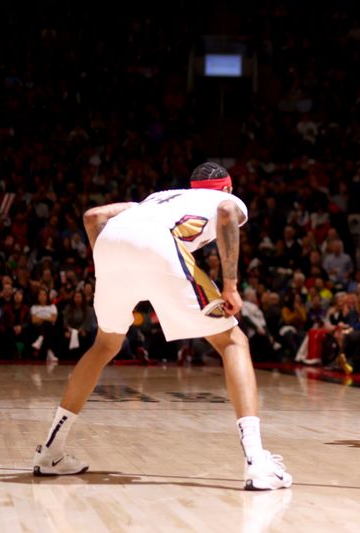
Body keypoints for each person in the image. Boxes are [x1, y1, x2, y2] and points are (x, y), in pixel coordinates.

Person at [32, 162, 292, 490]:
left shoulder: (159, 198)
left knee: (104, 346)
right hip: (157, 244)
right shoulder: (226, 198)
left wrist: (118, 272)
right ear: (226, 187)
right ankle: (257, 462)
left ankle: (51, 451)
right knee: (233, 341)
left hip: (111, 245)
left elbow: (93, 217)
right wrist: (230, 285)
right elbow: (227, 211)